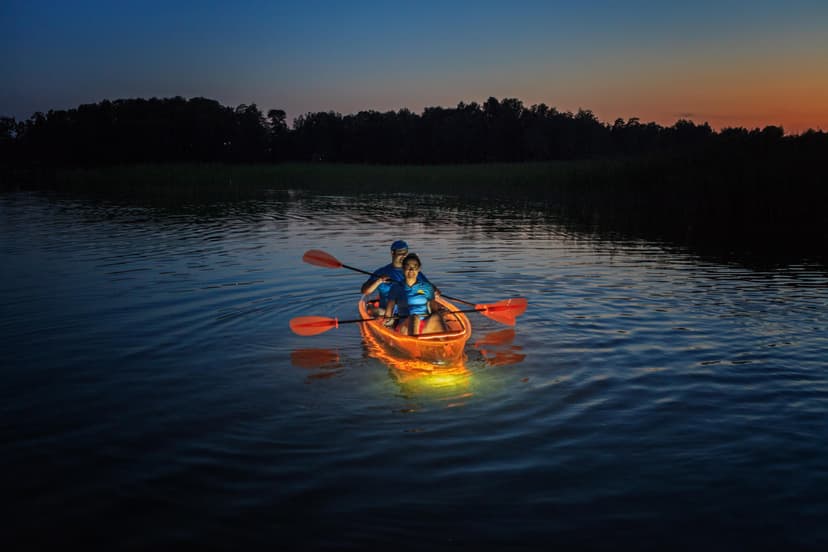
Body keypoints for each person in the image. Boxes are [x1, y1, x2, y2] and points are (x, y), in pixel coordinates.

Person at [361, 240, 439, 315]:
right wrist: (379, 280)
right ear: (392, 253)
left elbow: (432, 289)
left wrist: (435, 291)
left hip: (410, 312)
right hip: (386, 312)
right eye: (400, 253)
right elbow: (365, 291)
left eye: (405, 253)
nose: (404, 256)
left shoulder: (413, 271)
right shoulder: (381, 272)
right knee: (372, 310)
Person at [383, 253, 445, 335]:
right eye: (408, 266)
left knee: (437, 316)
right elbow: (388, 313)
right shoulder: (395, 288)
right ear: (403, 269)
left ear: (419, 269)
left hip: (424, 325)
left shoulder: (427, 287)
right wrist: (386, 322)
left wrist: (440, 312)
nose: (411, 270)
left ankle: (447, 340)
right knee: (414, 317)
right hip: (404, 326)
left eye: (415, 267)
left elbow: (434, 310)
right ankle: (414, 340)